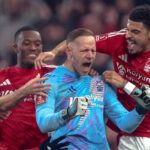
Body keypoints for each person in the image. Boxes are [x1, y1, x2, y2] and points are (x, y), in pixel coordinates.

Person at [34, 5, 150, 150]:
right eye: (84, 50)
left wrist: (140, 109)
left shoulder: (99, 85)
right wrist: (68, 113)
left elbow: (125, 123)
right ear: (69, 52)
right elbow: (43, 123)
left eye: (93, 51)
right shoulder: (49, 81)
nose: (90, 55)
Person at [0, 26, 56, 150]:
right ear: (15, 48)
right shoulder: (1, 76)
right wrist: (25, 91)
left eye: (38, 44)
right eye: (26, 44)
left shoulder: (53, 73)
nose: (33, 48)